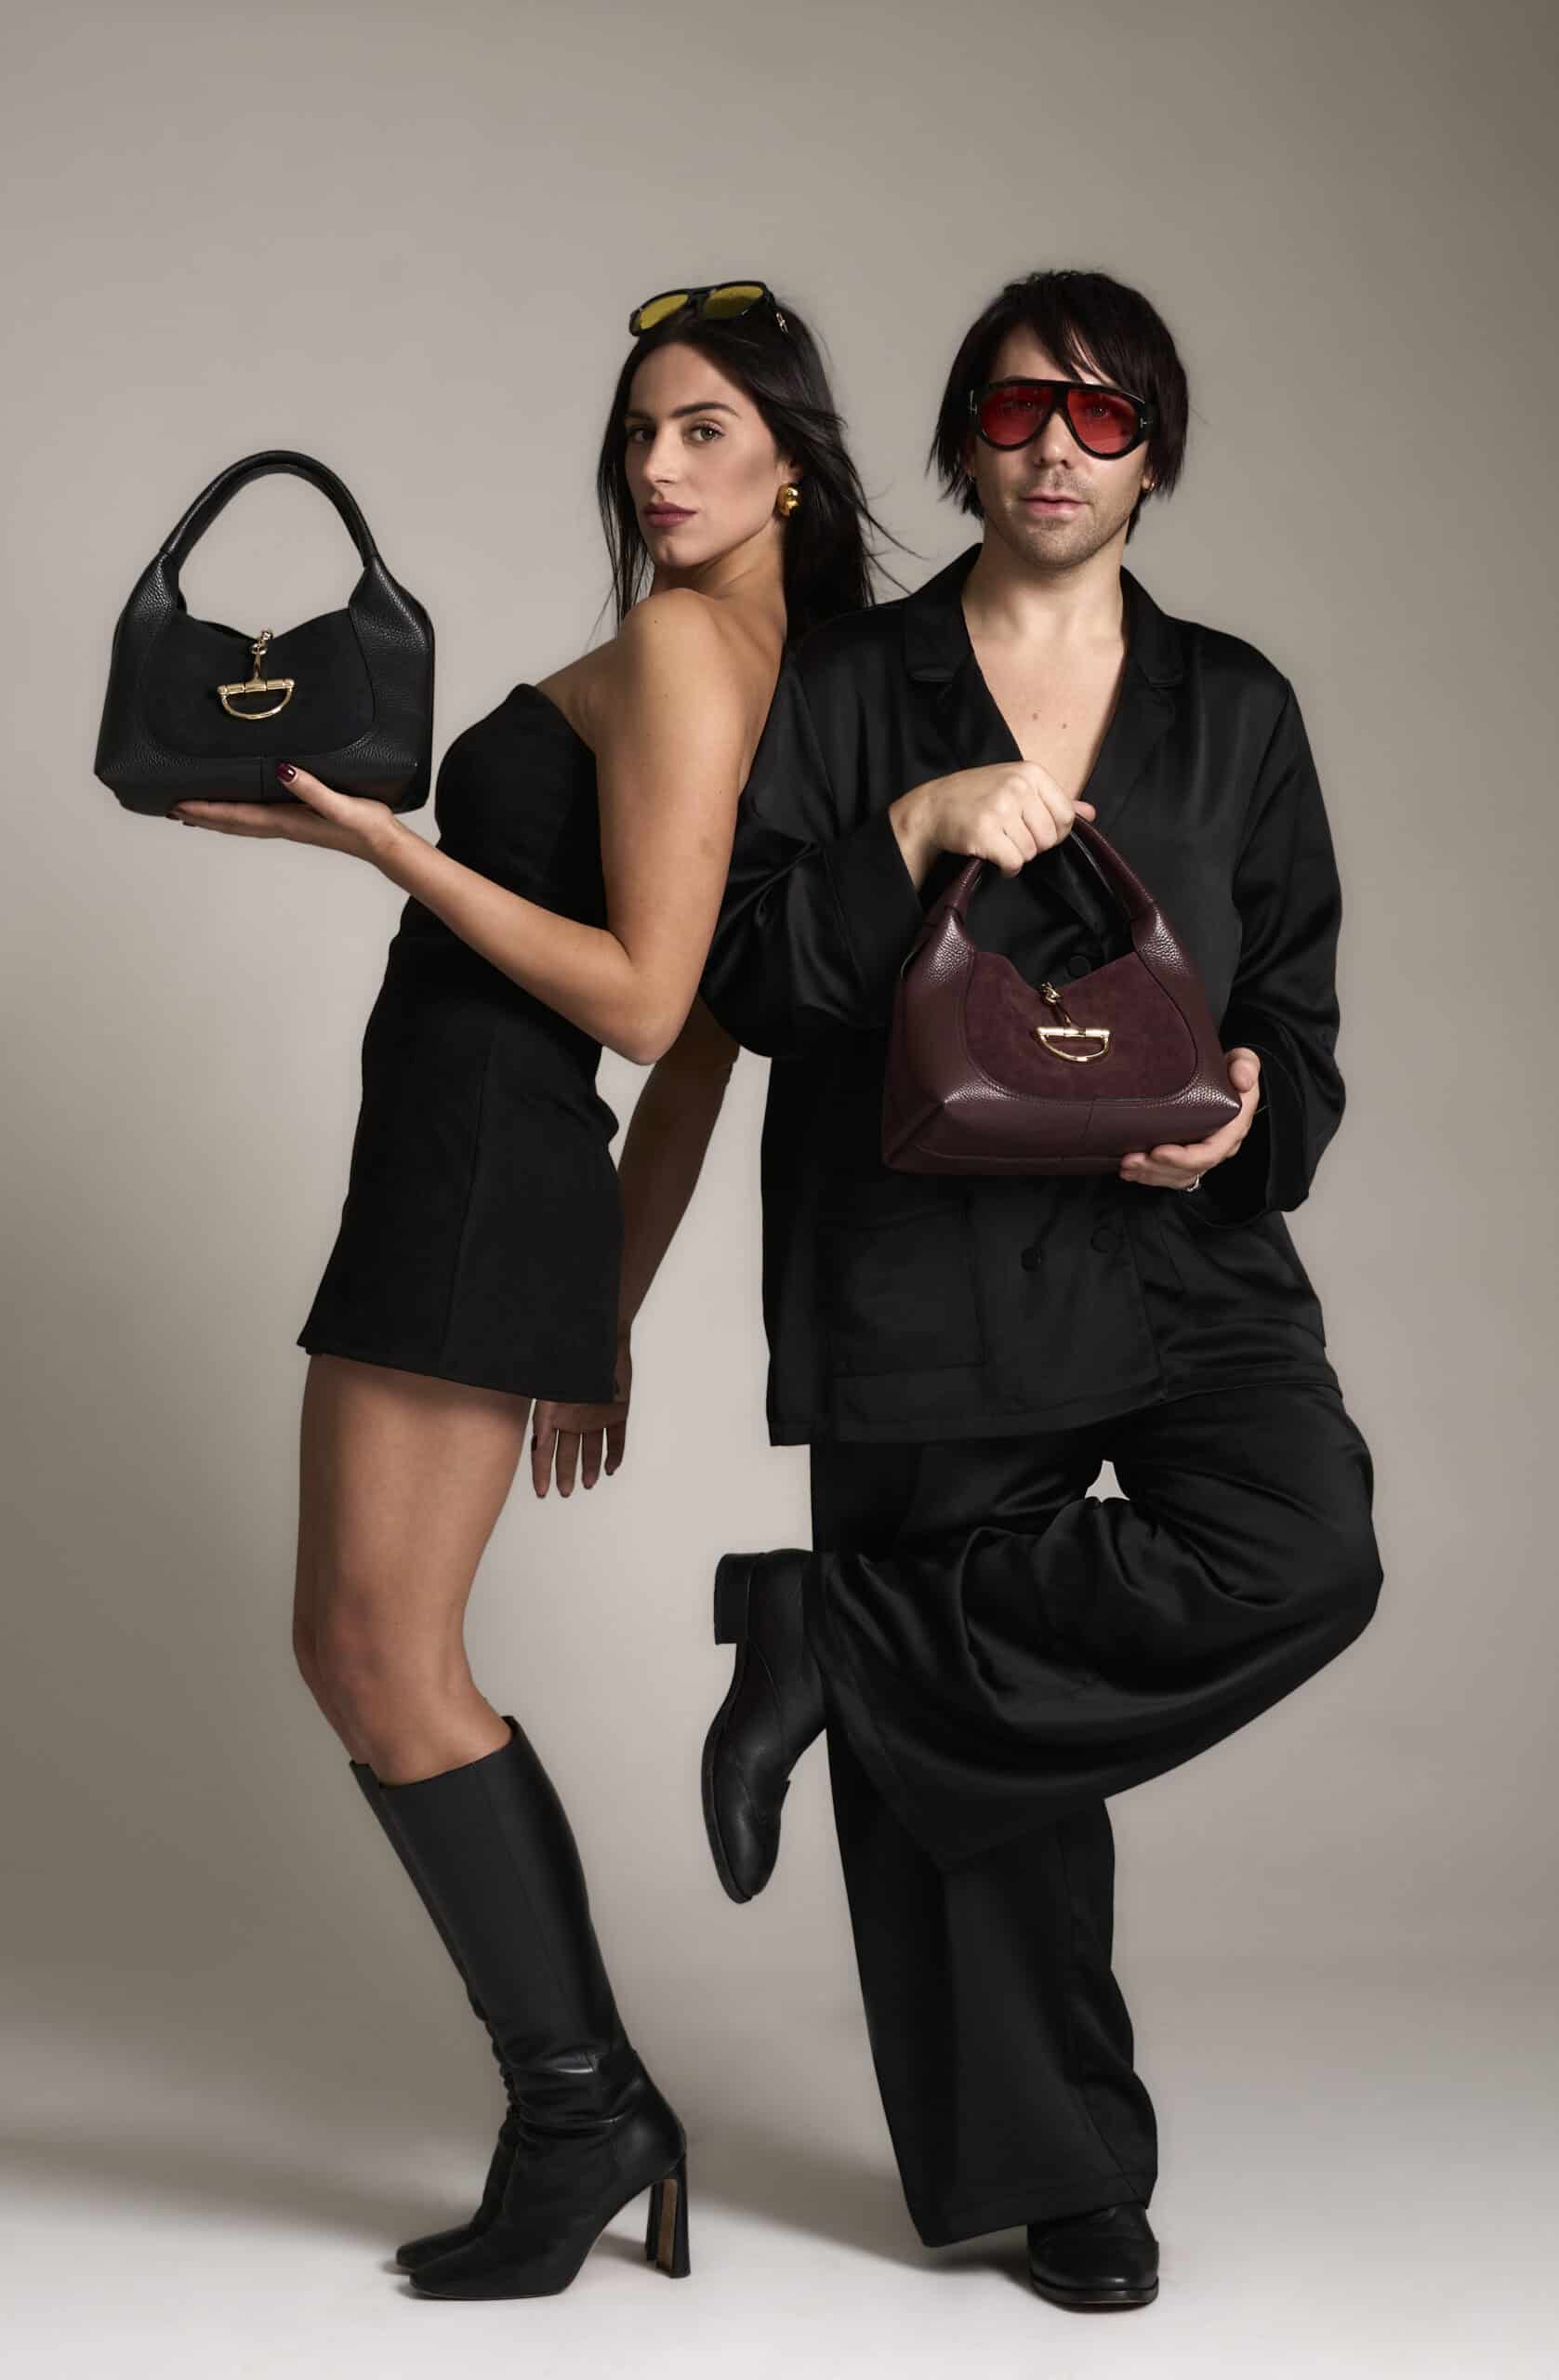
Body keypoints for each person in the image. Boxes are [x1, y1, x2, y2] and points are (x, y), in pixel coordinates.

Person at [168, 280, 889, 2301]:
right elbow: (707, 1051)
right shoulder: (783, 679)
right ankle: (580, 2106)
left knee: (372, 1646)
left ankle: (583, 2109)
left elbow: (648, 1010)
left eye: (705, 429)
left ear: (792, 462)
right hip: (502, 1177)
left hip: (480, 1158)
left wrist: (389, 850)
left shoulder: (683, 651)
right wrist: (604, 1308)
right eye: (641, 430)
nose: (657, 466)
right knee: (364, 1642)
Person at [698, 267, 1384, 2312]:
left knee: (1299, 1545)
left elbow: (1295, 1011)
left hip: (1179, 1247)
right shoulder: (849, 686)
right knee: (990, 1764)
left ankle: (840, 1634)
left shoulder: (1234, 707)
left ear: (1153, 451)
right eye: (1015, 411)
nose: (1057, 450)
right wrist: (909, 827)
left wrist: (1250, 1112)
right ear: (962, 442)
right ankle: (1061, 2170)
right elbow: (744, 978)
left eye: (1102, 416)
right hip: (924, 1250)